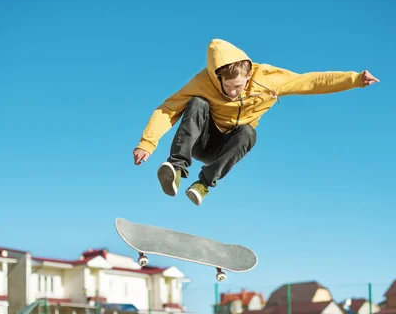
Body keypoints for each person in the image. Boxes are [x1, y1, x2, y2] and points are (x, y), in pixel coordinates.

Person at [132, 39, 379, 205]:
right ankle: (176, 168)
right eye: (225, 87)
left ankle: (203, 185)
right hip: (200, 139)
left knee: (248, 132)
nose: (231, 93)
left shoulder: (269, 79)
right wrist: (147, 143)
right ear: (215, 76)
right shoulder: (203, 81)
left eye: (237, 87)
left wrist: (354, 79)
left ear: (249, 75)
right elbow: (168, 109)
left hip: (225, 149)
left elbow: (311, 82)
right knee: (197, 103)